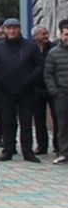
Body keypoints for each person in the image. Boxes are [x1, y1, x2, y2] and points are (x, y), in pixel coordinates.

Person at [0, 17, 43, 162]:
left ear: (19, 29)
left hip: (26, 90)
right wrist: (0, 81)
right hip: (5, 89)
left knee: (26, 122)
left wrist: (29, 80)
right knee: (7, 122)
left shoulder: (30, 46)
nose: (12, 31)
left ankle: (27, 151)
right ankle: (8, 149)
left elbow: (39, 66)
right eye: (9, 28)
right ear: (4, 30)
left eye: (15, 28)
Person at [45, 20, 68, 164]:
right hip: (62, 94)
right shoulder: (53, 53)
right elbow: (48, 74)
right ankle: (64, 152)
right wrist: (55, 91)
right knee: (62, 125)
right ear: (61, 35)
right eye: (66, 34)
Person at [31, 25, 55, 154]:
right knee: (39, 119)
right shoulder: (30, 49)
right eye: (43, 34)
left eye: (47, 33)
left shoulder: (54, 48)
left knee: (57, 118)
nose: (46, 36)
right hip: (36, 89)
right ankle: (42, 145)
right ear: (35, 36)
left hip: (52, 88)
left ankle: (58, 145)